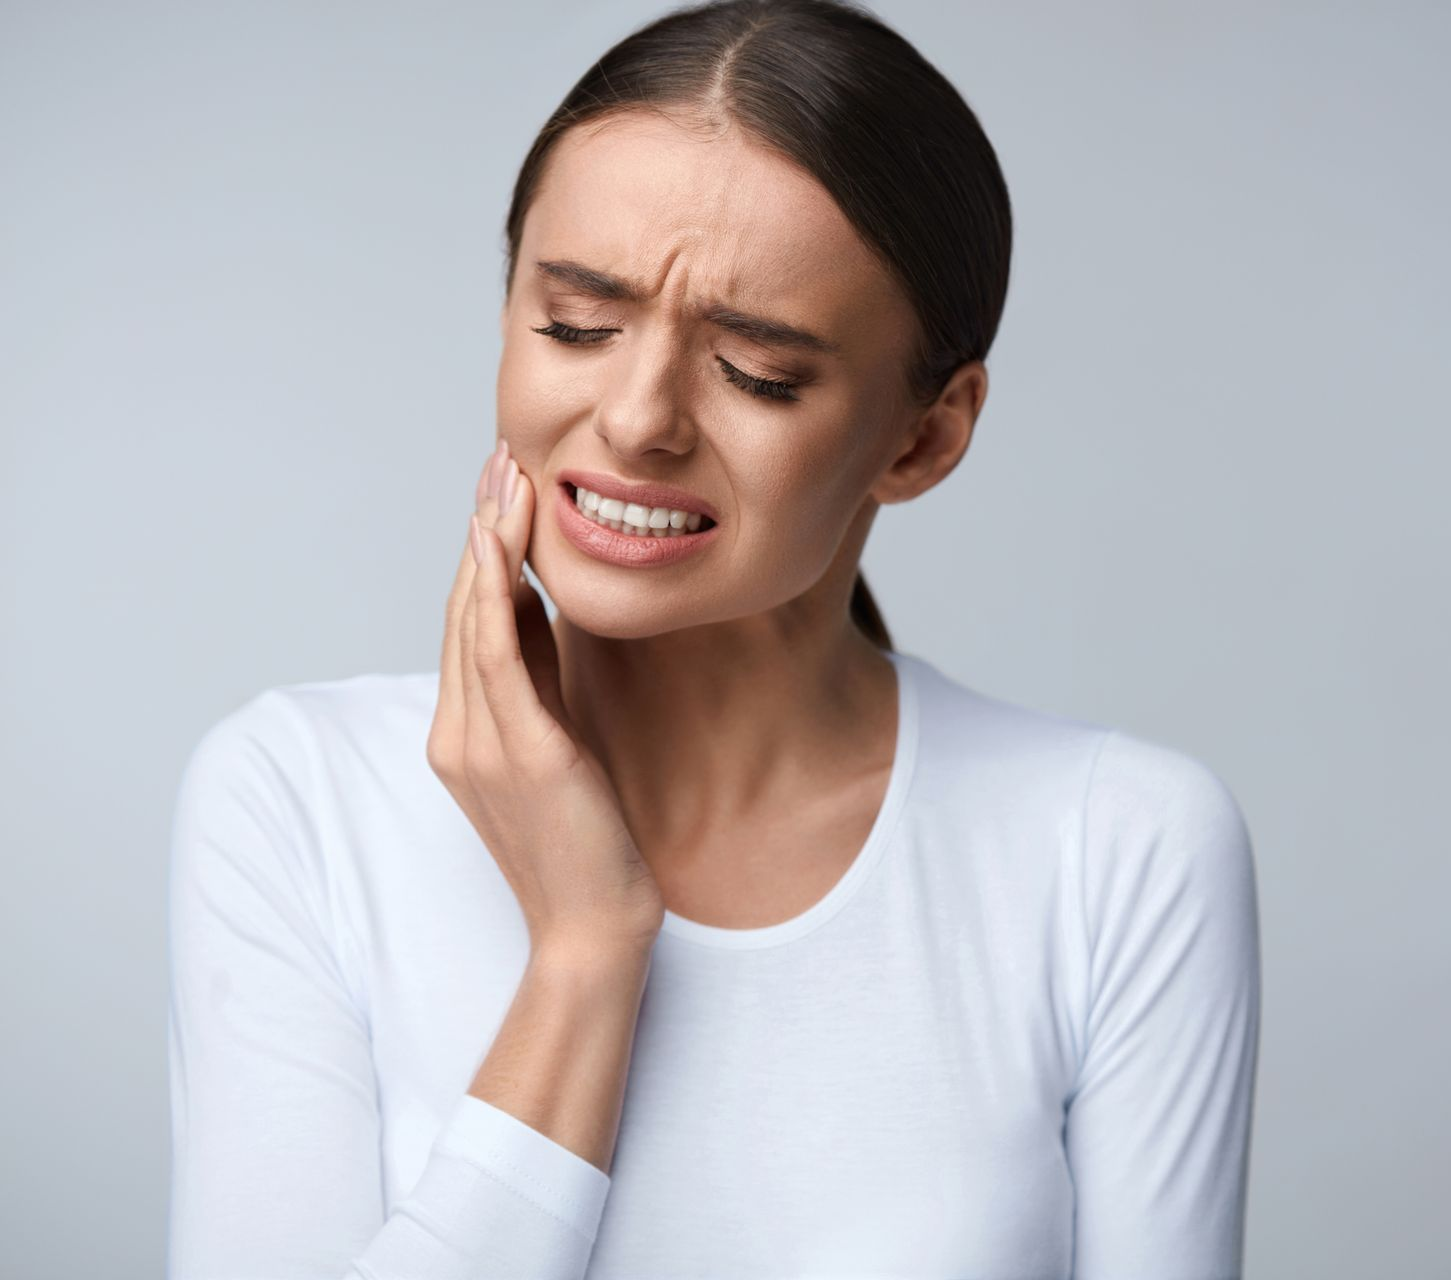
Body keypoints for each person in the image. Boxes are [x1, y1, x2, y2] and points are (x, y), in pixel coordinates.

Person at [165, 1, 1262, 1276]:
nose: (637, 418)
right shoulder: (296, 799)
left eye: (756, 372)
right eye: (575, 324)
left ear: (923, 437)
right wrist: (584, 954)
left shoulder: (1115, 851)